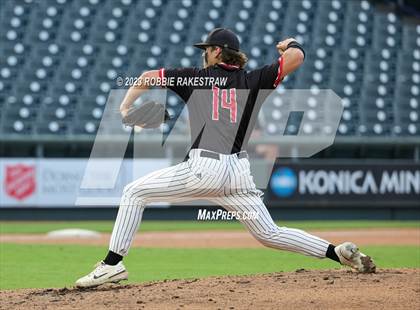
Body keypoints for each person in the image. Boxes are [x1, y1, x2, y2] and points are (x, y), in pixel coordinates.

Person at [75, 28, 375, 288]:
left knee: (133, 192)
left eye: (207, 49)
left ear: (217, 51)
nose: (204, 54)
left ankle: (112, 265)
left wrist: (125, 109)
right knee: (269, 233)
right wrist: (291, 44)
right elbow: (296, 58)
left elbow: (146, 77)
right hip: (238, 173)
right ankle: (336, 252)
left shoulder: (195, 78)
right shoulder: (253, 80)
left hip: (205, 168)